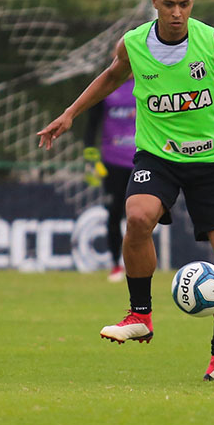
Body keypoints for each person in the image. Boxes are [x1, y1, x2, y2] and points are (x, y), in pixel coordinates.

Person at [37, 0, 214, 382]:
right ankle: (140, 315)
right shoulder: (134, 44)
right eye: (170, 4)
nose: (177, 12)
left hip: (210, 162)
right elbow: (110, 76)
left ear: (193, 2)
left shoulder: (213, 43)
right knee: (138, 216)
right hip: (157, 157)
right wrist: (70, 114)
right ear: (154, 2)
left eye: (185, 4)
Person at [82, 78, 136, 282]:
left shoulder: (148, 79)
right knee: (114, 214)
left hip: (143, 160)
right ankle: (116, 264)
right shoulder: (106, 85)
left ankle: (141, 263)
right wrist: (90, 159)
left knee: (140, 216)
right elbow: (91, 125)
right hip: (112, 161)